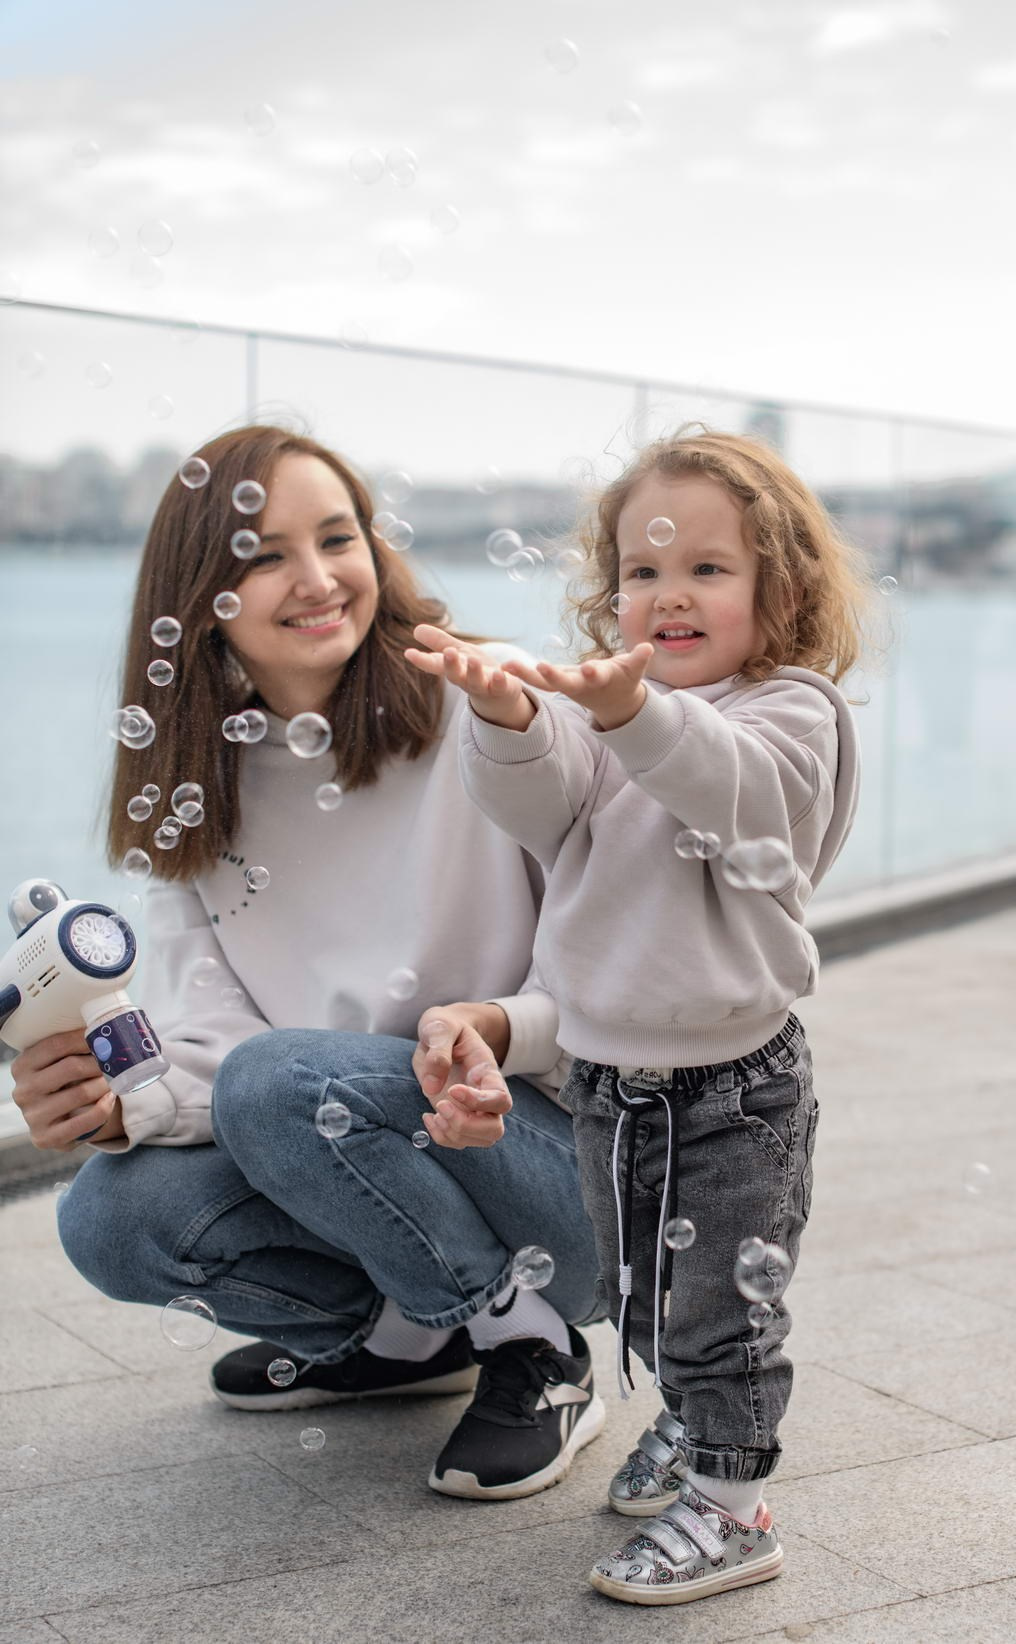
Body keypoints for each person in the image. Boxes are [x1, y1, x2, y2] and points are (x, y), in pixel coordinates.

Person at [11, 424, 605, 1503]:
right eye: (265, 553)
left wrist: (500, 1029)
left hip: (562, 1165)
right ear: (202, 595)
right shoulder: (204, 787)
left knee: (284, 1084)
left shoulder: (500, 712)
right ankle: (418, 1337)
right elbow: (214, 1048)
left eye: (339, 538)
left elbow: (620, 977)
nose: (320, 578)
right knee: (107, 1217)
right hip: (358, 1134)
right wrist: (115, 1103)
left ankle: (536, 1345)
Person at [404, 427, 873, 1604]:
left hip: (735, 1084)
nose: (670, 595)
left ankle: (734, 1504)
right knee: (643, 1296)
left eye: (709, 568)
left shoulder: (791, 713)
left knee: (721, 1311)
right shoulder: (615, 715)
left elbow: (734, 792)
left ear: (784, 588)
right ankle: (691, 1427)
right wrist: (508, 719)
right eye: (643, 570)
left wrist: (627, 713)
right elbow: (537, 799)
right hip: (611, 1078)